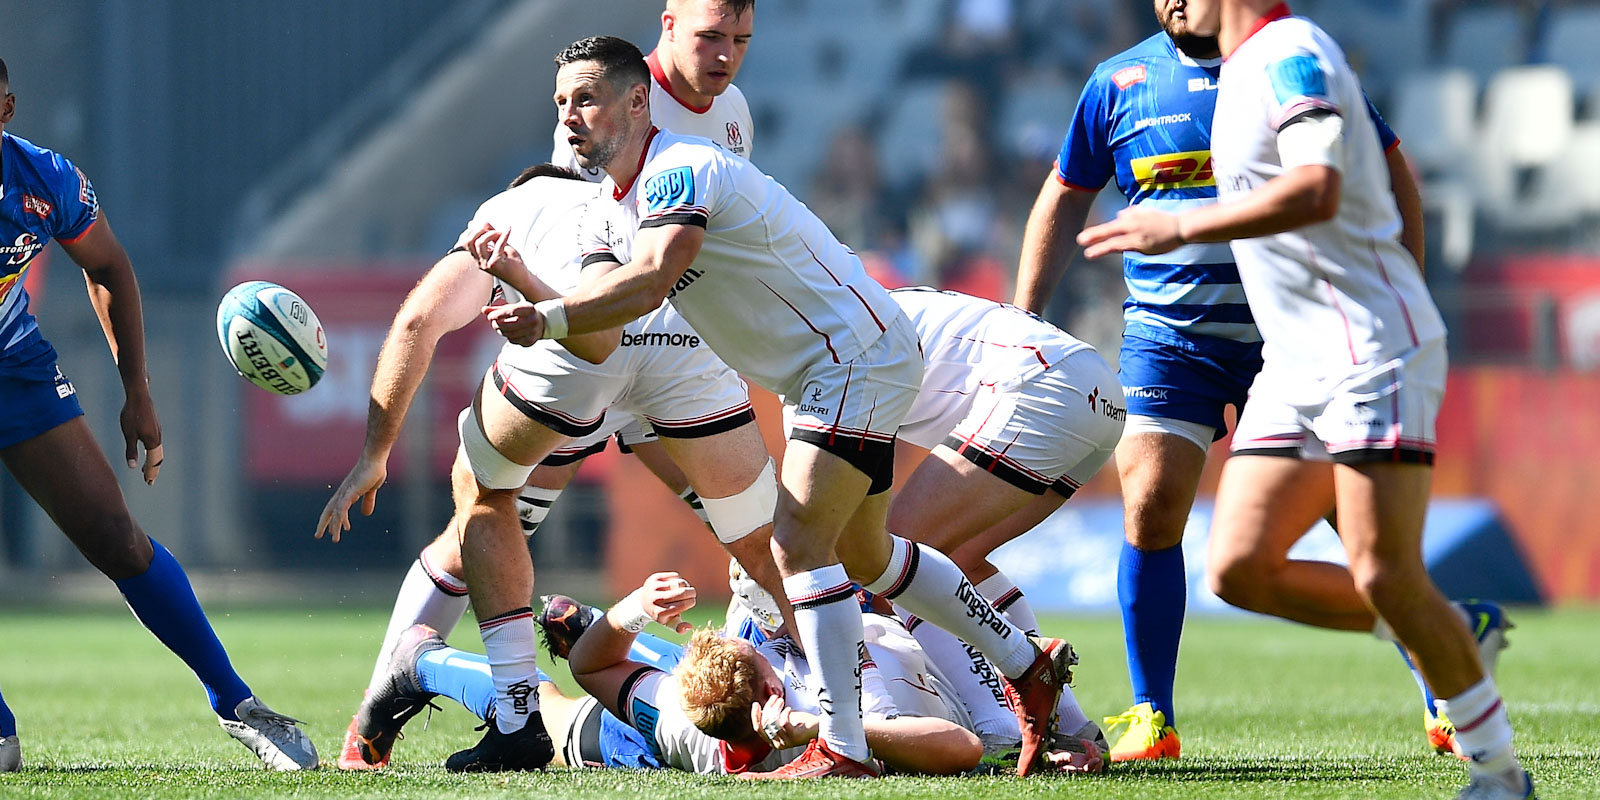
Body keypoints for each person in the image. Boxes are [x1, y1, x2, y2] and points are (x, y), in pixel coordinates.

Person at [487, 36, 1074, 777]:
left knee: (796, 546)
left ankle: (845, 747)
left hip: (848, 355)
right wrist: (534, 287)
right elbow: (610, 325)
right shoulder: (614, 206)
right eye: (561, 104)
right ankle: (1026, 665)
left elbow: (653, 278)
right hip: (830, 370)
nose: (570, 117)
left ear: (638, 101)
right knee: (867, 555)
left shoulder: (679, 170)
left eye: (588, 99)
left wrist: (551, 318)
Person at [1077, 3, 1533, 798]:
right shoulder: (1231, 67)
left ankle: (1498, 769)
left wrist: (1181, 230)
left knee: (1385, 574)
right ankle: (1457, 629)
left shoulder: (1292, 54)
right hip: (1293, 365)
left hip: (1365, 346)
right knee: (1239, 570)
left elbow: (1318, 186)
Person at [1012, 0, 1434, 762]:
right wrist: (1023, 320)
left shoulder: (1294, 65)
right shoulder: (1119, 81)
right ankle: (1153, 715)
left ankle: (1445, 687)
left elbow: (1393, 168)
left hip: (1295, 336)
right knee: (1149, 504)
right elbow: (1064, 194)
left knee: (1359, 525)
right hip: (1170, 340)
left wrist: (1403, 283)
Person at [316, 165, 791, 772]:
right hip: (642, 368)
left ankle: (439, 675)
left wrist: (631, 613)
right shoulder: (596, 198)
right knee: (759, 541)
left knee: (485, 519)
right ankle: (421, 674)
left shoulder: (542, 209)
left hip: (589, 381)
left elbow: (421, 320)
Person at [0, 57, 316, 771]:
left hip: (11, 363)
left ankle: (238, 704)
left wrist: (135, 388)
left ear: (8, 108)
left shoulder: (43, 180)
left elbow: (107, 265)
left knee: (115, 536)